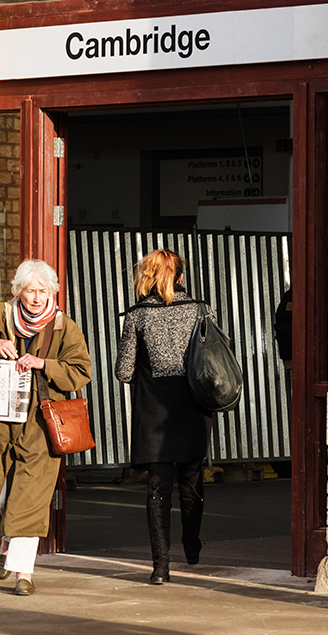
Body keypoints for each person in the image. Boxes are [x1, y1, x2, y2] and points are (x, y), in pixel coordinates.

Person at [0, 259, 92, 596]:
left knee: (30, 495)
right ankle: (7, 540)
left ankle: (24, 573)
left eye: (43, 291)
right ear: (18, 291)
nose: (37, 297)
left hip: (40, 420)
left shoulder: (64, 327)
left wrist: (43, 364)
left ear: (52, 292)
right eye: (31, 290)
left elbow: (81, 370)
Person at [114, 249, 213, 585]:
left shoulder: (137, 316)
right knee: (191, 480)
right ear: (181, 277)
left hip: (153, 411)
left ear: (147, 279)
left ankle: (160, 567)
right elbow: (213, 360)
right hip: (192, 408)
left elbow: (124, 372)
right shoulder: (201, 310)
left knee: (158, 488)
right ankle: (192, 544)